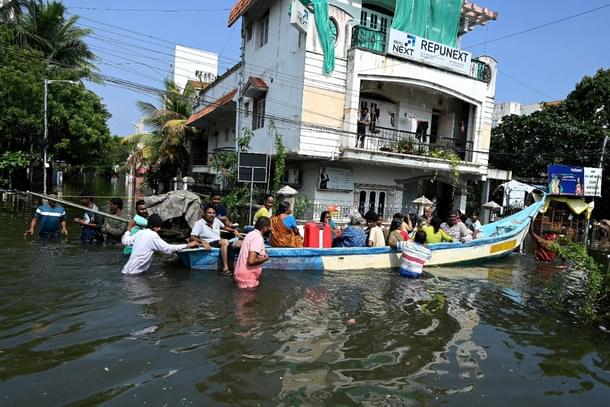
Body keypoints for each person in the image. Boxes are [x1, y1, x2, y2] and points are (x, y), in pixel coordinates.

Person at [121, 214, 200, 275]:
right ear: (152, 226)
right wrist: (188, 245)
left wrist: (128, 229)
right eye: (157, 227)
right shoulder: (152, 235)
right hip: (136, 273)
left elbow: (125, 241)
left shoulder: (140, 232)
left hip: (125, 270)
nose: (159, 229)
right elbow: (168, 249)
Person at [190, 204, 240, 273]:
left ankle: (239, 266)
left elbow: (224, 227)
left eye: (213, 213)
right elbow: (192, 236)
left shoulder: (216, 220)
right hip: (209, 242)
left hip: (218, 241)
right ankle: (225, 268)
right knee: (225, 241)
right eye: (209, 213)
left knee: (240, 242)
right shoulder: (199, 223)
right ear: (204, 214)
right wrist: (202, 242)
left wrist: (234, 230)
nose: (212, 215)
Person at [234, 217, 271, 289]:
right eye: (269, 227)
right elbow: (251, 261)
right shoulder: (257, 238)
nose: (270, 230)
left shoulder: (250, 234)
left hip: (240, 274)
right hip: (247, 278)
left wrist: (262, 250)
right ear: (265, 228)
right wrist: (266, 258)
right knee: (248, 299)